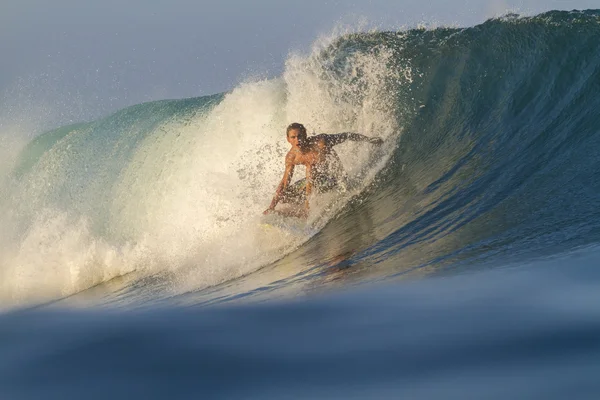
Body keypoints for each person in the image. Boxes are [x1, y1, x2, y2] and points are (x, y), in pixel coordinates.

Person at [264, 122, 383, 217]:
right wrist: (271, 206)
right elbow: (284, 182)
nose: (297, 140)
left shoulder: (321, 142)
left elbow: (346, 136)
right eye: (293, 137)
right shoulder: (291, 157)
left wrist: (368, 139)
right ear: (288, 139)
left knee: (310, 170)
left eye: (299, 136)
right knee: (284, 195)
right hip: (314, 181)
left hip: (334, 178)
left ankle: (306, 210)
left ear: (305, 134)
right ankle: (298, 211)